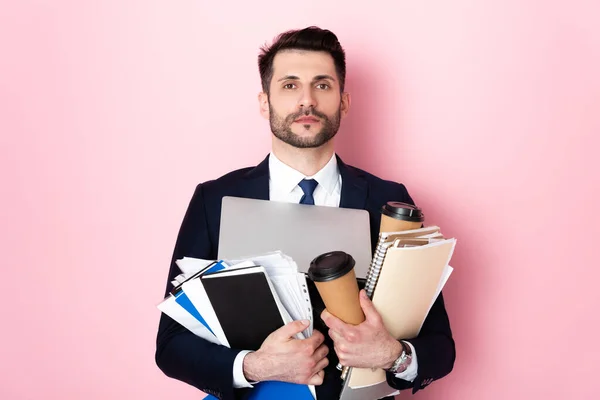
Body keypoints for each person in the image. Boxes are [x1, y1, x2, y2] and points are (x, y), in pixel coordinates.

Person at [155, 26, 455, 400]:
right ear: (264, 102)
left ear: (343, 102)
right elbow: (171, 345)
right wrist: (254, 366)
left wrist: (393, 355)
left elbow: (440, 346)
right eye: (290, 85)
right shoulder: (215, 199)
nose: (307, 101)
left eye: (323, 85)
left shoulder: (388, 200)